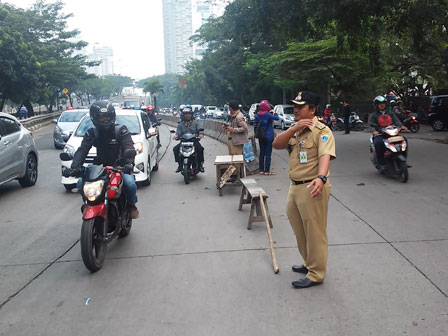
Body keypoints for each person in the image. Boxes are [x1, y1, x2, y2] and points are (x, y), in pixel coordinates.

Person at [273, 91, 336, 289]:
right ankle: (309, 263)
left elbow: (325, 155)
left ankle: (316, 273)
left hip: (312, 186)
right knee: (300, 230)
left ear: (313, 109)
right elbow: (277, 144)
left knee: (315, 232)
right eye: (295, 106)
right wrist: (294, 128)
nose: (296, 110)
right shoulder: (296, 129)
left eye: (301, 107)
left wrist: (321, 177)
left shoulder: (322, 131)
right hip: (295, 187)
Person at [68, 100, 139, 219]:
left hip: (120, 166)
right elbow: (82, 150)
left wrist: (129, 162)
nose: (105, 120)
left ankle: (131, 205)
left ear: (112, 116)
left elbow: (128, 146)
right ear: (94, 118)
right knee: (81, 184)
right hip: (99, 167)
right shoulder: (92, 133)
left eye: (107, 116)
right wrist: (74, 167)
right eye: (101, 117)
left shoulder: (121, 130)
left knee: (130, 184)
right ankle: (88, 204)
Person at [368, 95, 407, 171]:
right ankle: (381, 163)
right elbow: (370, 125)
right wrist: (374, 131)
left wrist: (401, 126)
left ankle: (403, 159)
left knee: (404, 141)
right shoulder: (373, 115)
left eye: (383, 103)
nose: (382, 105)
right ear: (376, 105)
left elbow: (396, 121)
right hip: (380, 134)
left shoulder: (391, 113)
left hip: (391, 133)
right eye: (380, 104)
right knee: (379, 143)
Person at [173, 105, 205, 173]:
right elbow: (178, 133)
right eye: (186, 114)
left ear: (191, 115)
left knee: (200, 149)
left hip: (194, 142)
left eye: (189, 114)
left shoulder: (196, 123)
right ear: (183, 115)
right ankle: (179, 165)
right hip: (183, 142)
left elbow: (200, 129)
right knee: (175, 149)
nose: (187, 115)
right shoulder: (180, 124)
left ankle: (200, 165)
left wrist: (200, 134)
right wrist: (176, 136)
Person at [254, 99, 279, 175]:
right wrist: (274, 113)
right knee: (268, 154)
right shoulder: (268, 114)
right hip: (269, 135)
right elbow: (277, 118)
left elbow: (255, 124)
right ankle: (267, 170)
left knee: (262, 153)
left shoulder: (257, 115)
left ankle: (261, 170)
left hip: (261, 135)